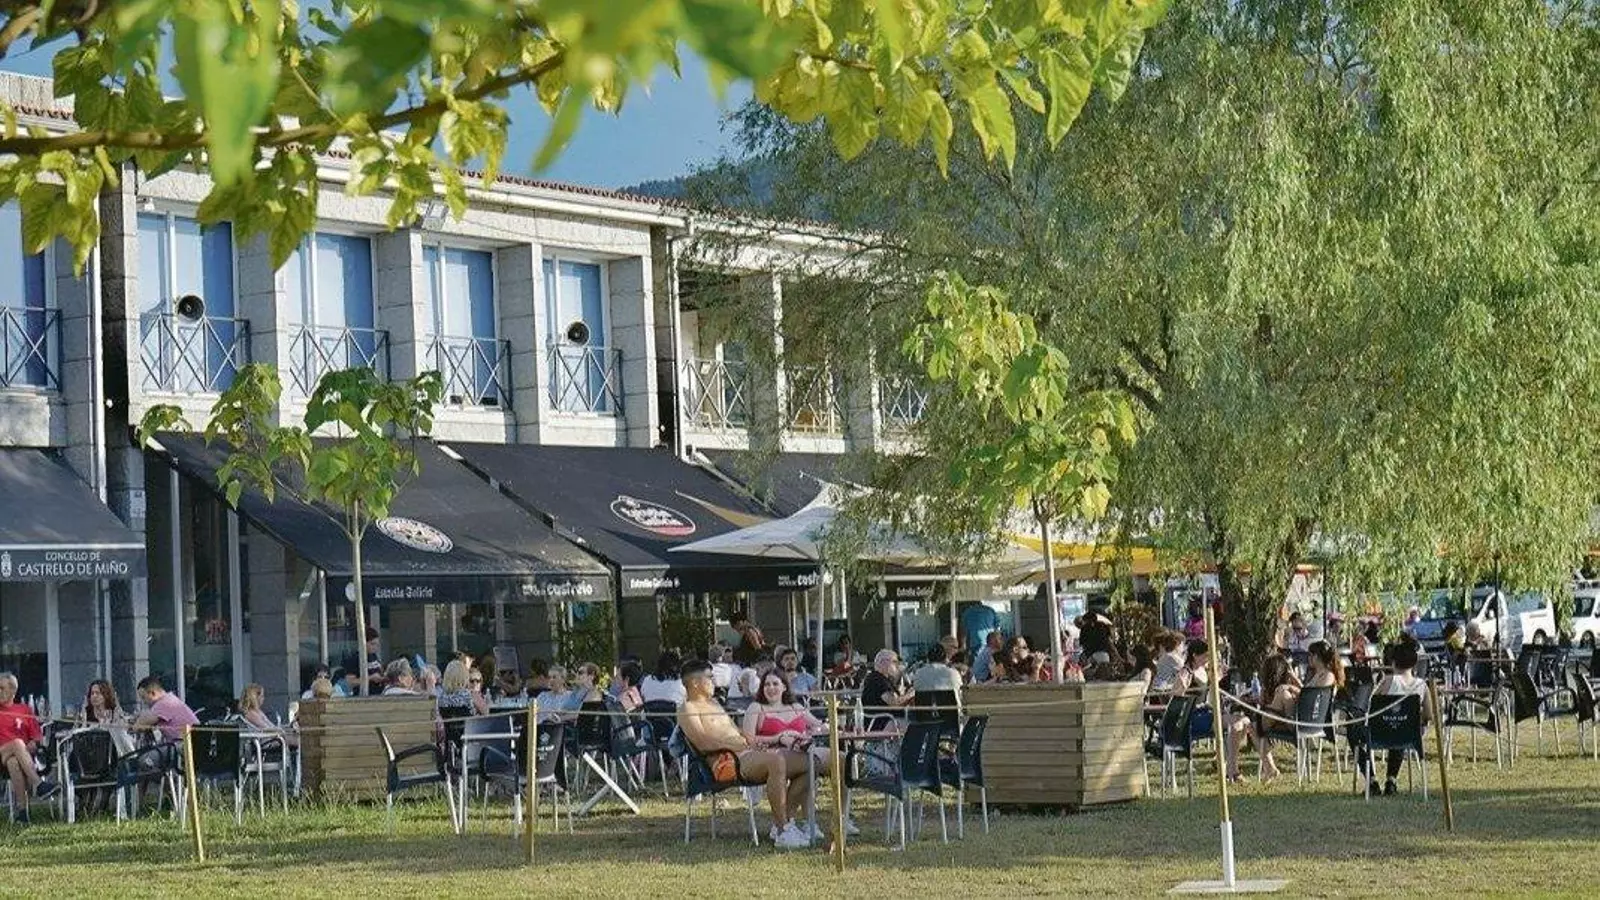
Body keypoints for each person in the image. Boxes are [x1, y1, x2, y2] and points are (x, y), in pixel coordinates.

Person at [676, 660, 813, 849]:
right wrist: (739, 744)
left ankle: (784, 821)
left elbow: (734, 731)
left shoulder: (714, 703)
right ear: (695, 683)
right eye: (710, 677)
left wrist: (756, 740)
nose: (714, 681)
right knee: (776, 760)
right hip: (725, 762)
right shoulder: (688, 709)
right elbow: (704, 743)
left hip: (745, 754)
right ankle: (783, 831)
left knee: (809, 762)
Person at [1368, 637, 1430, 796]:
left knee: (1361, 732)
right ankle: (1392, 779)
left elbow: (1372, 704)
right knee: (1402, 727)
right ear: (1414, 664)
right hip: (1410, 733)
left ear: (1393, 662)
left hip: (1381, 732)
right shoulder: (1422, 685)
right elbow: (1429, 714)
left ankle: (1372, 780)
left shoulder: (1388, 681)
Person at [0, 672, 57, 823]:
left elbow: (37, 737)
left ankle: (22, 814)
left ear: (13, 690)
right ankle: (39, 784)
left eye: (2, 688)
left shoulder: (24, 710)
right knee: (18, 743)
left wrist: (34, 743)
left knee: (13, 762)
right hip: (1, 753)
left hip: (20, 757)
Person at [132, 674, 198, 743]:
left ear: (153, 693)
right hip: (191, 741)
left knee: (147, 751)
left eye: (143, 698)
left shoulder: (163, 703)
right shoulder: (169, 699)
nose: (144, 702)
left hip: (187, 744)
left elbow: (140, 725)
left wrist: (133, 724)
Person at [238, 683, 297, 747]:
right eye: (262, 696)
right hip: (266, 741)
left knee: (296, 737)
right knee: (297, 740)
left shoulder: (257, 712)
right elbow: (266, 728)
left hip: (272, 738)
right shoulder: (251, 714)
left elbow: (271, 726)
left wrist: (287, 727)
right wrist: (282, 731)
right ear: (255, 698)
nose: (263, 698)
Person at [860, 649, 914, 719]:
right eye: (894, 662)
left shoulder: (882, 678)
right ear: (883, 663)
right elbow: (894, 703)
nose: (897, 665)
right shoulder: (877, 679)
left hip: (890, 718)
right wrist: (910, 694)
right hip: (885, 721)